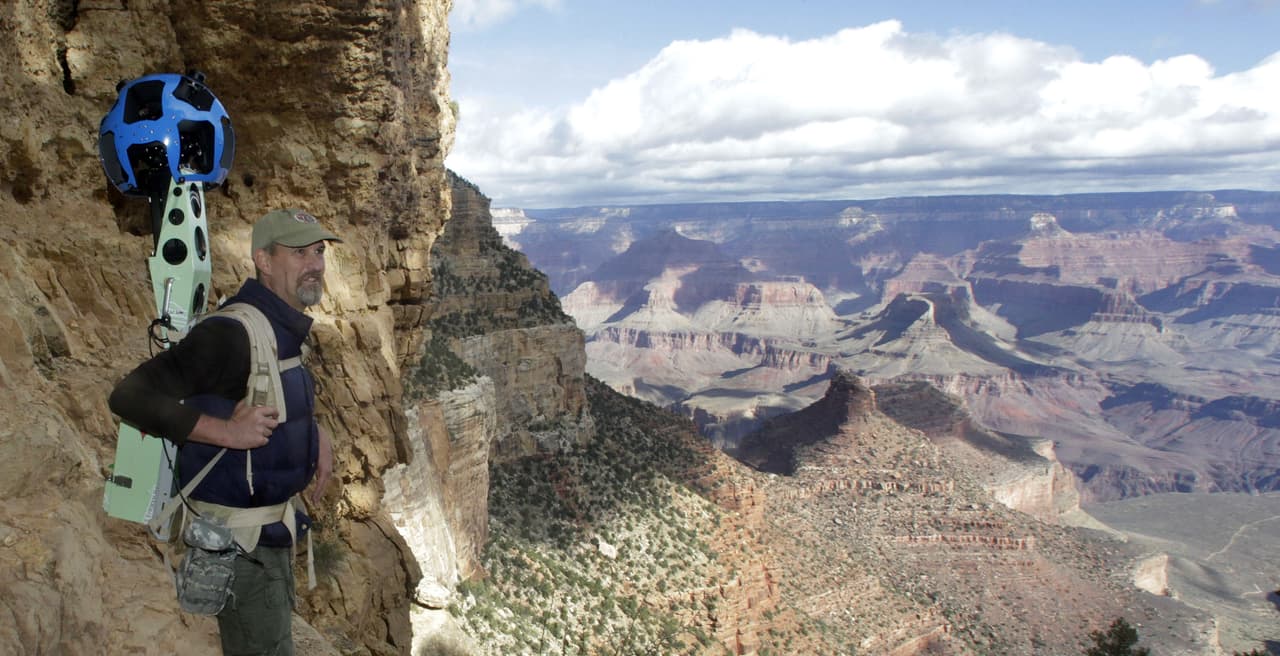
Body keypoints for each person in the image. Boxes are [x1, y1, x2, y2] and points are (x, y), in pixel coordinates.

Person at [109, 208, 340, 655]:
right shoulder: (230, 334)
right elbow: (129, 396)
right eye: (298, 252)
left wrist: (315, 431)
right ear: (264, 261)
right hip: (239, 546)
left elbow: (269, 391)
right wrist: (226, 432)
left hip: (270, 535)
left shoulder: (281, 325)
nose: (314, 263)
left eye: (318, 251)